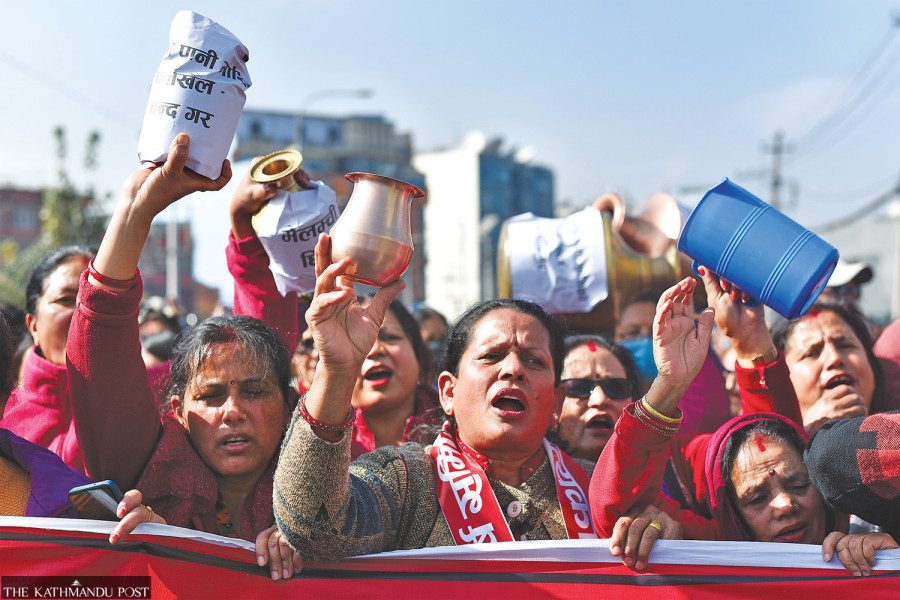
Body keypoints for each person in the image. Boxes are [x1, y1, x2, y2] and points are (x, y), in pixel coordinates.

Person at [273, 233, 597, 560]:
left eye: (533, 360)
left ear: (557, 402)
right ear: (448, 392)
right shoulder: (407, 480)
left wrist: (650, 522)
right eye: (492, 356)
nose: (513, 369)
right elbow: (315, 529)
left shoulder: (597, 485)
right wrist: (338, 370)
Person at [66, 134, 301, 580]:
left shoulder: (329, 493)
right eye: (210, 396)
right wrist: (137, 209)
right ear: (178, 411)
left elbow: (271, 336)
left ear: (290, 405)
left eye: (255, 391)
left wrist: (315, 538)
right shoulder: (142, 470)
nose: (234, 411)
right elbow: (102, 356)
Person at [591, 278, 892, 577]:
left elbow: (774, 433)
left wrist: (888, 557)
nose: (785, 505)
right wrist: (669, 385)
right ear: (730, 512)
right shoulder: (723, 545)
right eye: (755, 499)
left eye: (800, 485)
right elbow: (616, 501)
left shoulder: (869, 536)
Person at [227, 162, 441, 459]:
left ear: (420, 355)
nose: (372, 350)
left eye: (390, 337)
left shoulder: (462, 431)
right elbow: (259, 356)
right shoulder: (295, 428)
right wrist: (244, 229)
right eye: (357, 341)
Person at [0, 245, 96, 471]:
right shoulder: (5, 411)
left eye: (96, 301)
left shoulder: (148, 407)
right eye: (66, 299)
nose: (84, 313)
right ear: (32, 324)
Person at [615, 289, 731, 435]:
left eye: (654, 332)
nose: (645, 339)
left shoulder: (691, 374)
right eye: (633, 331)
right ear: (616, 338)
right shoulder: (605, 393)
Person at [551, 334, 639, 462]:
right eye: (578, 387)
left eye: (616, 387)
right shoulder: (519, 477)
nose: (600, 400)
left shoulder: (662, 474)